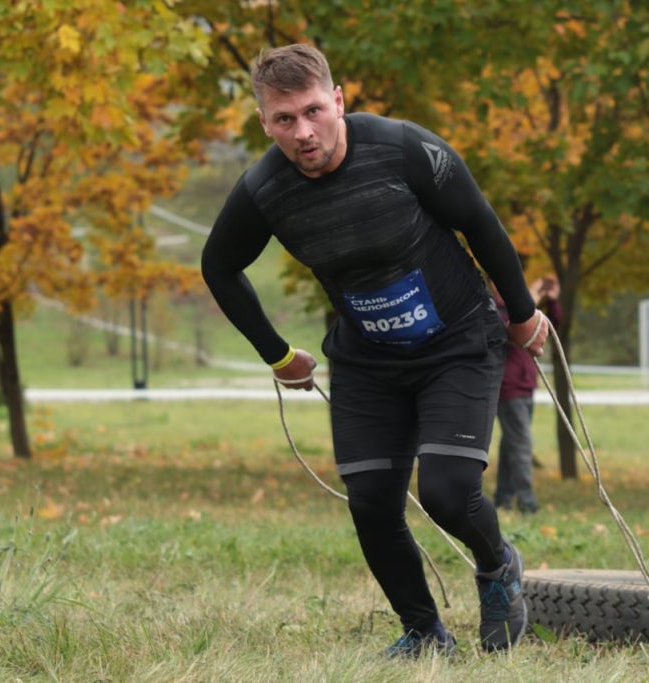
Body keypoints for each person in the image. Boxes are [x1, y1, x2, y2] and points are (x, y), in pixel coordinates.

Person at [200, 44, 549, 657]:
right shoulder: (264, 190)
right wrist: (278, 356)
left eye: (313, 111)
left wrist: (520, 315)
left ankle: (498, 569)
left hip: (458, 342)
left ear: (338, 100)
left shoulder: (407, 148)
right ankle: (423, 632)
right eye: (284, 120)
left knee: (445, 491)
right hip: (367, 361)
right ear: (265, 123)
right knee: (371, 503)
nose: (304, 133)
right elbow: (219, 267)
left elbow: (482, 224)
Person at [493, 276, 561, 514]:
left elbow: (551, 328)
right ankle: (527, 501)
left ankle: (503, 497)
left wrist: (551, 302)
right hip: (508, 387)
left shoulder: (520, 307)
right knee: (521, 444)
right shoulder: (491, 309)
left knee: (511, 443)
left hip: (525, 385)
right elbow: (514, 333)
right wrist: (530, 298)